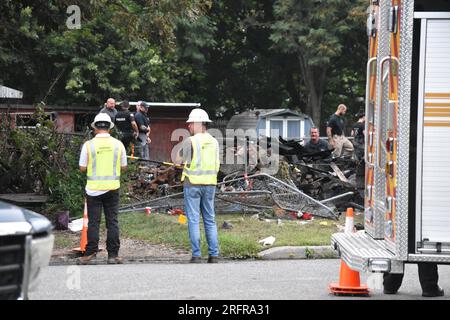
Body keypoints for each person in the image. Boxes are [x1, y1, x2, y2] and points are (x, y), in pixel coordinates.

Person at [78, 113, 127, 265]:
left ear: (95, 128)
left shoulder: (88, 145)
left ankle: (90, 253)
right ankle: (112, 255)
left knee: (94, 222)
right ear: (109, 128)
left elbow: (82, 167)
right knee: (112, 222)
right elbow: (124, 167)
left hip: (93, 190)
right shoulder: (118, 144)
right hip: (112, 188)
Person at [176, 108, 220, 263]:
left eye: (190, 124)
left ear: (197, 123)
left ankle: (196, 254)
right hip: (210, 184)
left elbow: (177, 161)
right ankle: (214, 254)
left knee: (193, 219)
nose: (188, 126)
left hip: (192, 184)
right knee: (210, 218)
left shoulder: (191, 141)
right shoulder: (214, 141)